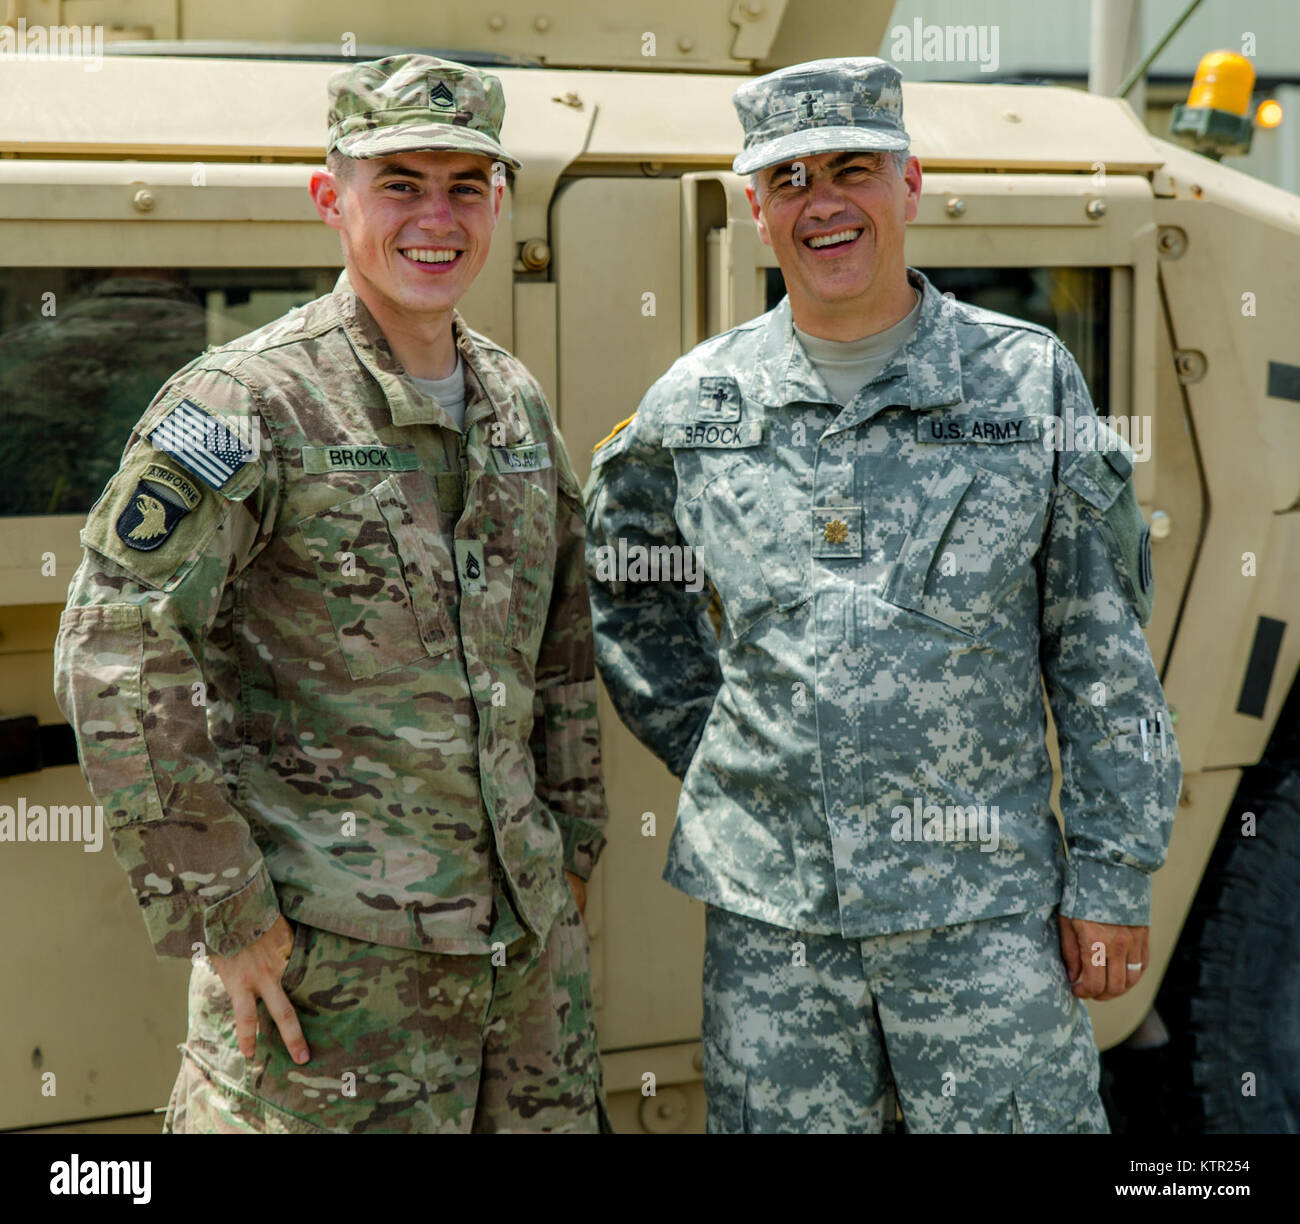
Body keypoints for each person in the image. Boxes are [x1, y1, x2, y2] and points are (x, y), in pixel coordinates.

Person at [583, 56, 1180, 1134]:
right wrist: (743, 749)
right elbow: (628, 593)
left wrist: (1112, 872)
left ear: (907, 183)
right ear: (757, 212)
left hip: (984, 915)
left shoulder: (1023, 382)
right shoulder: (695, 405)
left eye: (851, 168)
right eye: (788, 178)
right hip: (777, 932)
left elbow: (1100, 649)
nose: (823, 201)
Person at [54, 53, 609, 1134]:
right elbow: (117, 649)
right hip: (332, 987)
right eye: (400, 181)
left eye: (463, 185)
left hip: (526, 976)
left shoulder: (512, 400)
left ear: (497, 200)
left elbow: (562, 638)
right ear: (332, 198)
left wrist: (572, 846)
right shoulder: (247, 401)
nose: (434, 217)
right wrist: (225, 911)